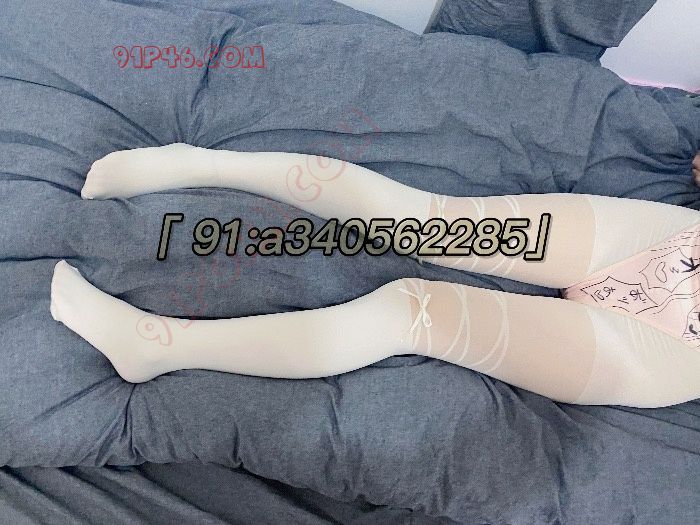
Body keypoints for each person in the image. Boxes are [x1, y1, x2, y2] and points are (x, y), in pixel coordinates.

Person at [50, 144, 700, 408]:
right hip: (675, 246)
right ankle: (197, 162)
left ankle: (158, 345)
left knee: (408, 313)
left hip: (674, 351)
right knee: (423, 223)